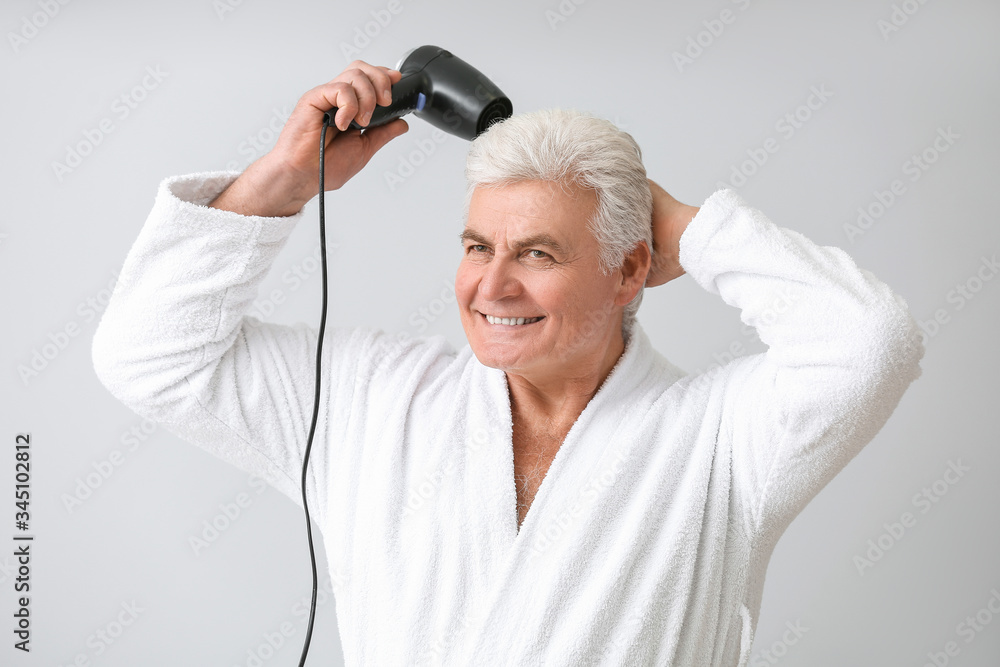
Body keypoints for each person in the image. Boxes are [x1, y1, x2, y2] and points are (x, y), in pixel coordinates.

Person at [92, 60, 925, 665]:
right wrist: (280, 180)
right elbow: (148, 354)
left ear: (631, 270)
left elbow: (869, 341)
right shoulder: (370, 401)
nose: (491, 283)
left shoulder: (720, 441)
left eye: (537, 251)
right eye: (476, 245)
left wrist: (684, 224)